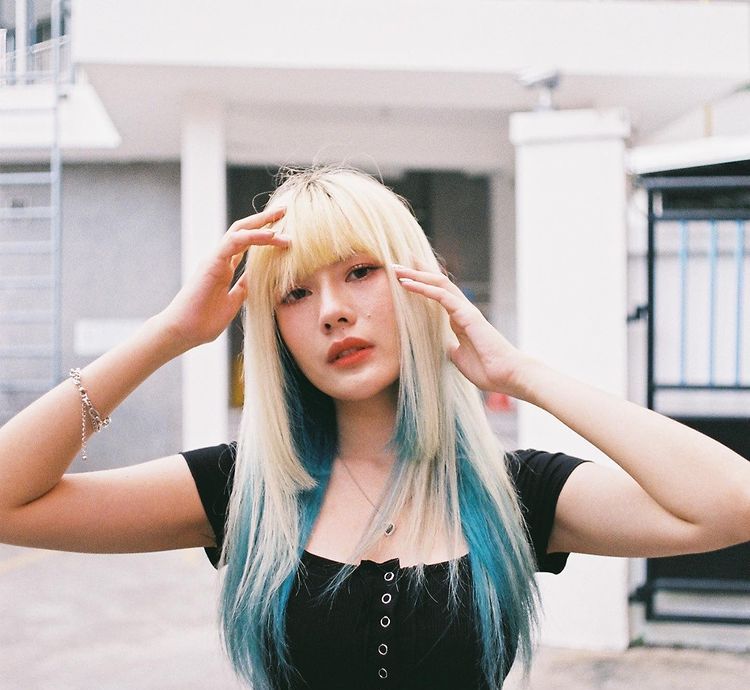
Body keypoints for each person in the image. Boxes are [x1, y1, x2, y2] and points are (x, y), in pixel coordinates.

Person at [0, 166, 748, 690]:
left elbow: (730, 503)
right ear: (276, 331)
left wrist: (520, 374)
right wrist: (170, 333)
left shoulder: (513, 494)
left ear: (418, 284)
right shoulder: (245, 489)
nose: (332, 310)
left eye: (359, 272)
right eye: (295, 293)